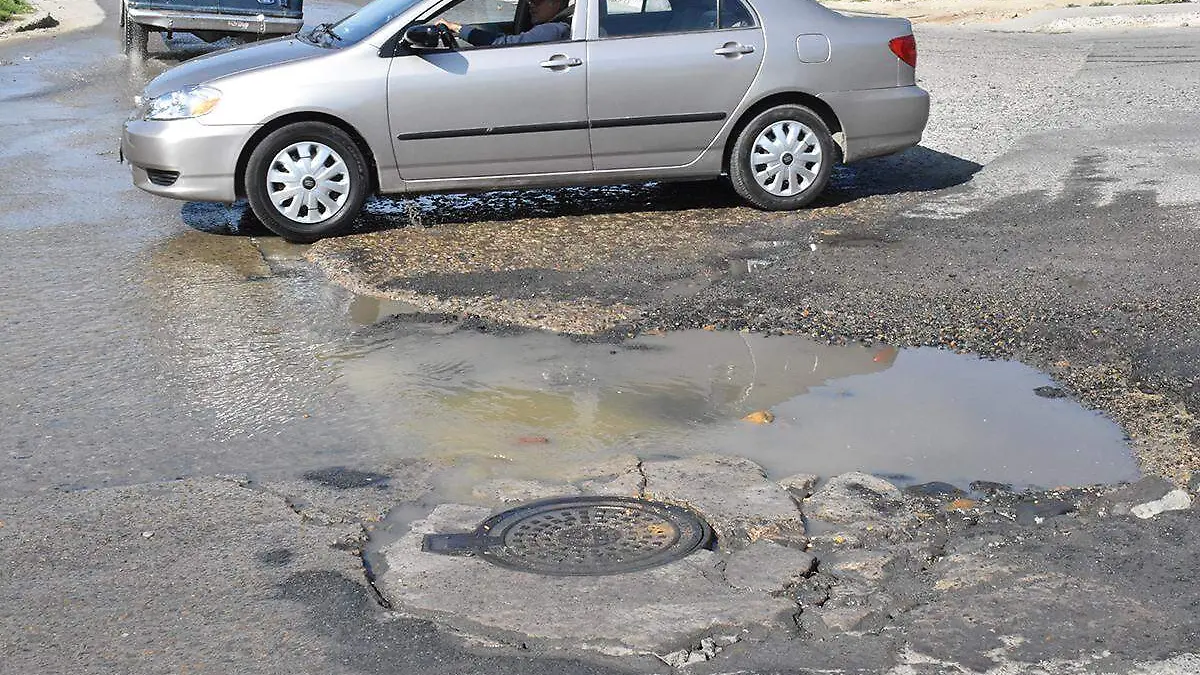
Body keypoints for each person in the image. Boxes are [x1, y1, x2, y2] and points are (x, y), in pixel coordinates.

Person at [435, 0, 571, 46]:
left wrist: (456, 28)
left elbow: (504, 43)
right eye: (529, 1)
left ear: (557, 2)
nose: (530, 4)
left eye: (536, 1)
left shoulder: (555, 29)